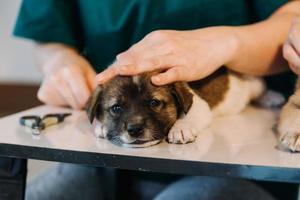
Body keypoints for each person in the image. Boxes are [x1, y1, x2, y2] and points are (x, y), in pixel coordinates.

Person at [12, 0, 300, 199]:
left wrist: (227, 42)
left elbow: (293, 19)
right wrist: (59, 60)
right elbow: (47, 29)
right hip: (103, 160)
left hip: (236, 159)